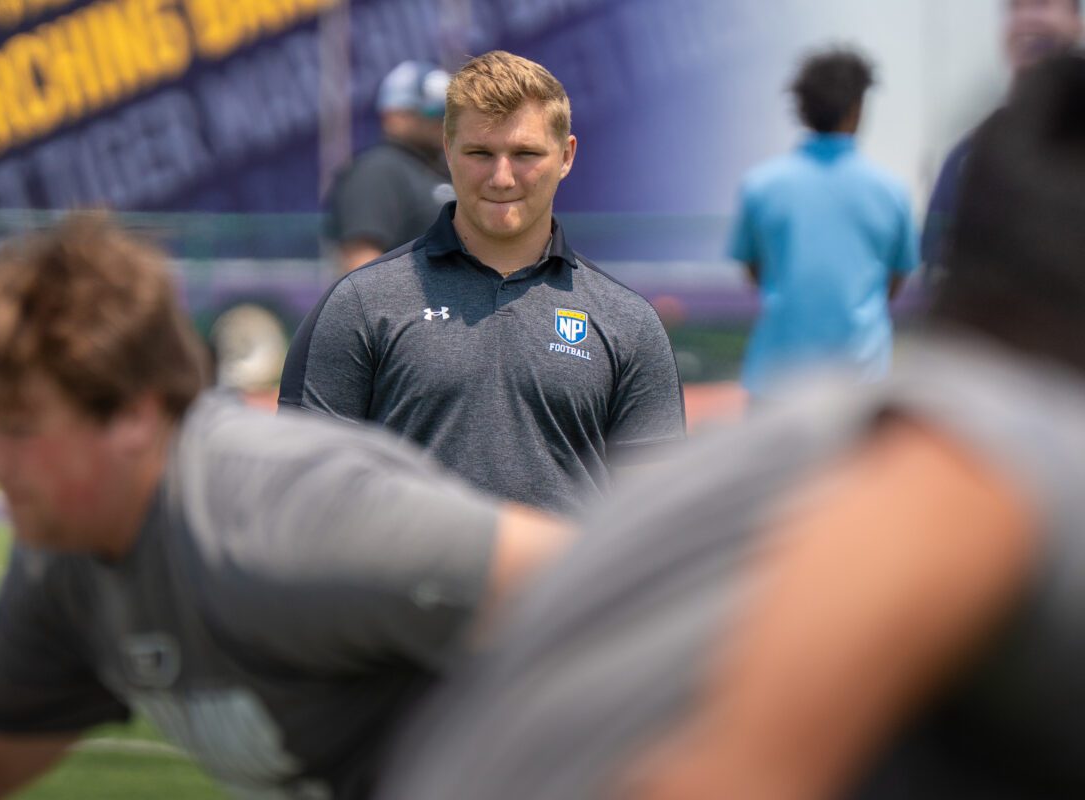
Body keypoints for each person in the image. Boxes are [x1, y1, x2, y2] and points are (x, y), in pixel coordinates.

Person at [378, 53, 1085, 800]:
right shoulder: (992, 451)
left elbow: (756, 269)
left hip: (788, 393)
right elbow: (942, 486)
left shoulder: (732, 463)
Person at [0, 215, 569, 799]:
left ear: (131, 415)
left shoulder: (290, 513)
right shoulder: (66, 554)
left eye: (19, 428)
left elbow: (609, 588)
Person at [280, 50, 685, 515]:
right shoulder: (360, 304)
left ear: (567, 156)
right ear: (448, 150)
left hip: (561, 589)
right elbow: (302, 492)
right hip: (402, 587)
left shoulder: (627, 322)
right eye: (480, 153)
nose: (502, 176)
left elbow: (655, 517)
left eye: (526, 153)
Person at [729, 47, 918, 398]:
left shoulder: (761, 185)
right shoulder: (891, 191)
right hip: (862, 379)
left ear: (801, 108)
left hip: (777, 376)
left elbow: (753, 267)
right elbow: (896, 276)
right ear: (858, 108)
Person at [923, 0, 1081, 274]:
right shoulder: (969, 158)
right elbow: (935, 266)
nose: (1026, 18)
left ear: (1077, 22)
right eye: (1015, 7)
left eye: (1041, 5)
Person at [326, 60, 456, 273]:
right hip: (410, 305)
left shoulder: (437, 167)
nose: (441, 122)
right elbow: (361, 267)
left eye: (447, 114)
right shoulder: (377, 171)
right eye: (431, 113)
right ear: (394, 115)